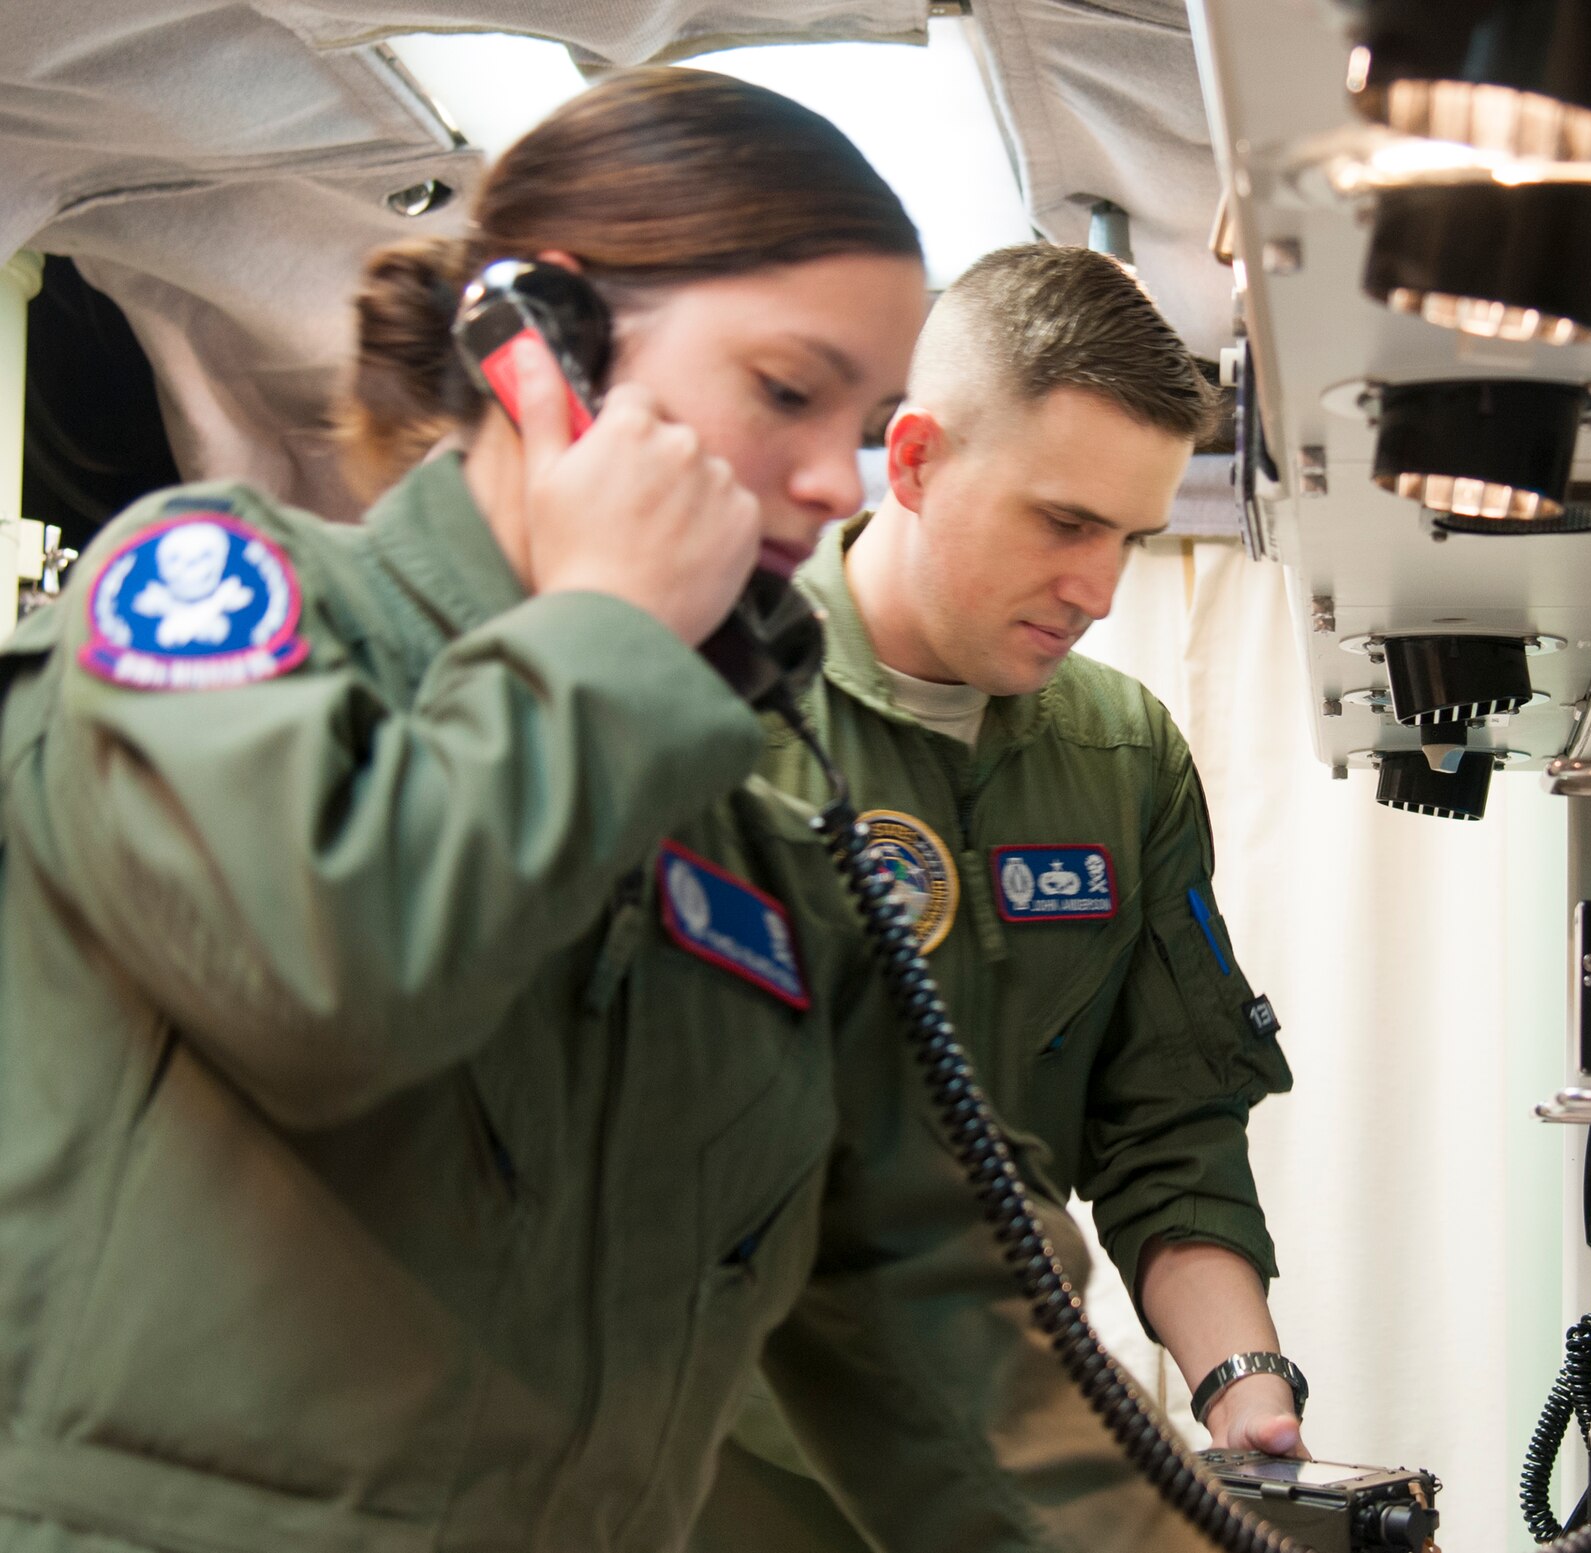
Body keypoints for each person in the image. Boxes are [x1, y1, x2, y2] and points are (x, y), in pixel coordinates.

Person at [0, 73, 1218, 1553]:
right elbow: (336, 968)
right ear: (545, 346)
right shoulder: (220, 596)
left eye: (863, 417)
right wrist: (619, 624)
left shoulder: (761, 858)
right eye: (785, 391)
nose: (834, 478)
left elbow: (959, 1344)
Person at [692, 244, 1300, 1553]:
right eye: (1064, 521)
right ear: (912, 462)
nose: (1100, 588)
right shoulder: (712, 714)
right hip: (735, 1487)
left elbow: (1170, 1129)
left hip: (1011, 1467)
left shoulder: (1121, 755)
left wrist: (1246, 1390)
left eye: (1132, 537)